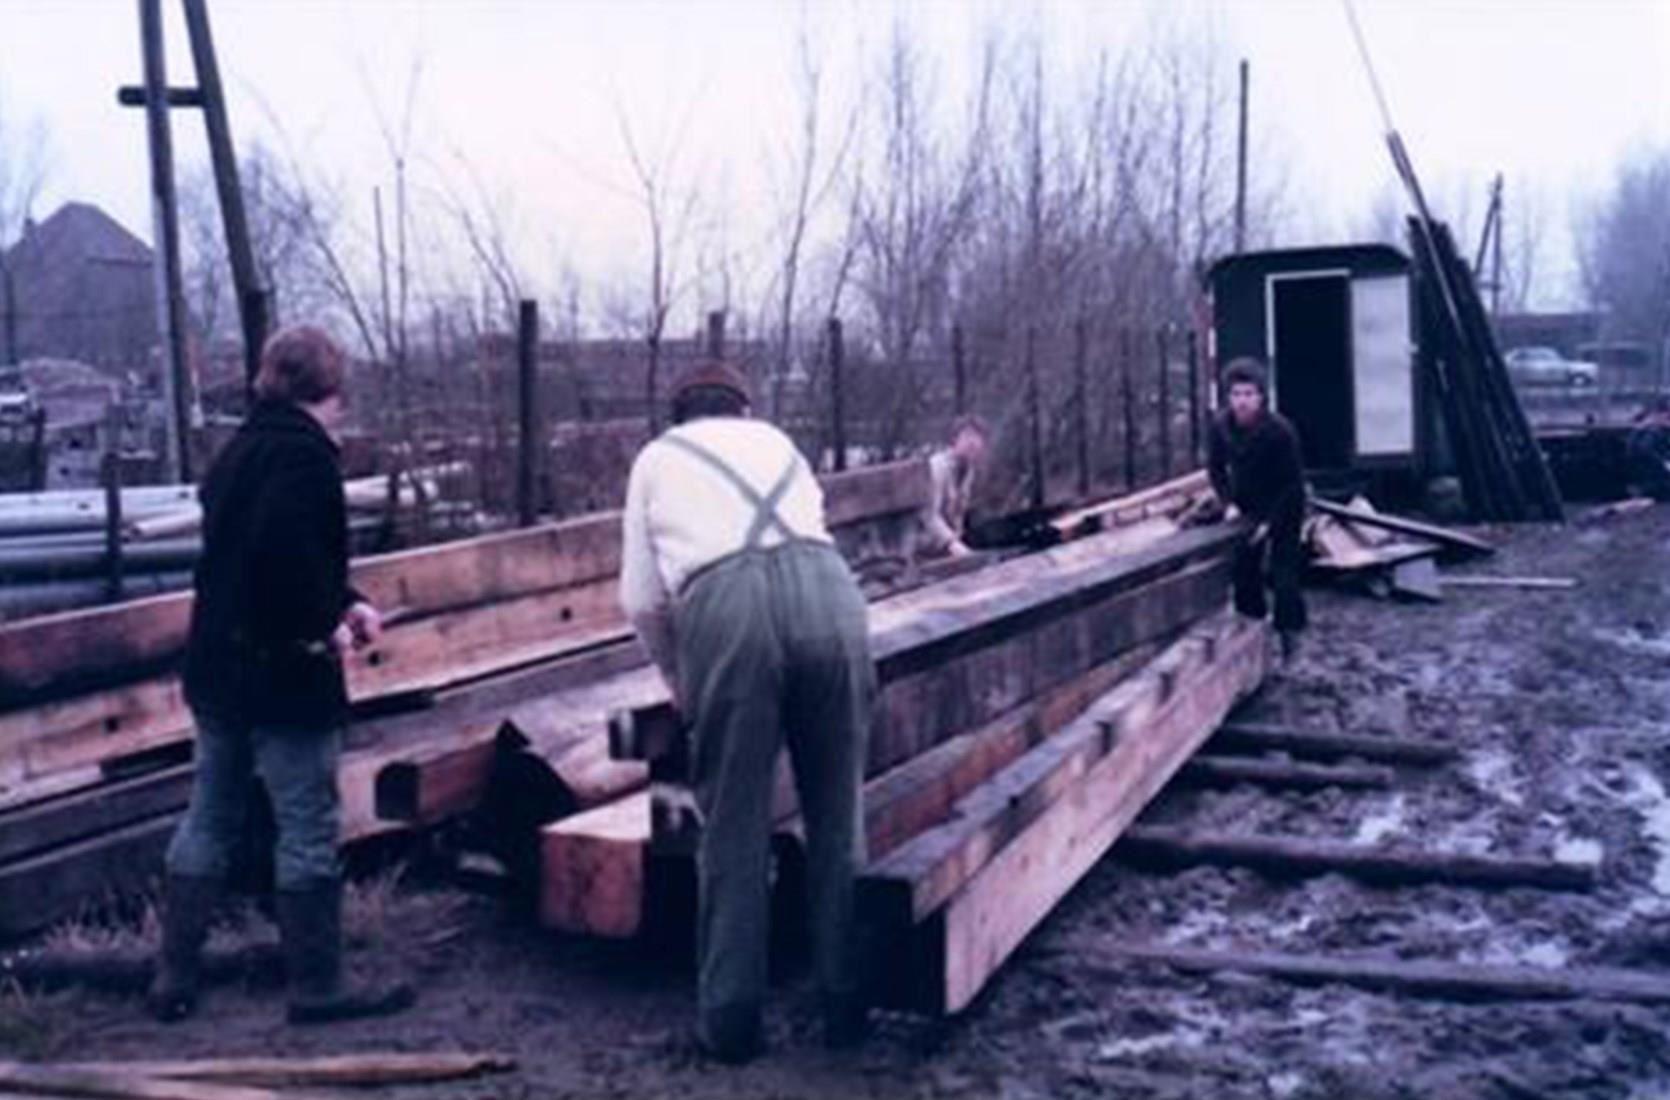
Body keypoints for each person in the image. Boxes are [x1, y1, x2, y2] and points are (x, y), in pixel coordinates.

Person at [149, 325, 413, 1026]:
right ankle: (318, 987)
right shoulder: (305, 460)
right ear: (329, 389)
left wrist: (345, 599)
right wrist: (321, 624)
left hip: (218, 672)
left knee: (209, 815)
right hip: (281, 679)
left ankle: (174, 975)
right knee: (307, 826)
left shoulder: (237, 453)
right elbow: (283, 560)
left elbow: (246, 561)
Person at [620, 360, 875, 1063]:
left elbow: (642, 599)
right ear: (745, 407)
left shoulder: (656, 459)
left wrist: (679, 672)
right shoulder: (779, 443)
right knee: (837, 813)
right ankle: (846, 1003)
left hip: (728, 611)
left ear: (679, 417)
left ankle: (731, 1022)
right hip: (832, 597)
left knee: (732, 826)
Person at [1206, 357, 1308, 658]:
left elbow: (1292, 482)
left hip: (1284, 503)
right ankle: (1252, 634)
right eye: (1237, 394)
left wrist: (1270, 523)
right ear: (1228, 397)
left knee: (1283, 574)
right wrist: (1228, 503)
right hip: (1245, 502)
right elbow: (1215, 469)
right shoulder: (1221, 427)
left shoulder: (1280, 431)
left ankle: (1290, 636)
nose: (1243, 402)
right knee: (1244, 571)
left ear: (1261, 397)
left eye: (1249, 394)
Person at [920, 414, 990, 558]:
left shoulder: (968, 470)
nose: (973, 443)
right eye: (967, 437)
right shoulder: (938, 467)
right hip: (925, 546)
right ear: (954, 440)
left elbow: (958, 513)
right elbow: (929, 515)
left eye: (978, 438)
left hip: (947, 549)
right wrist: (952, 543)